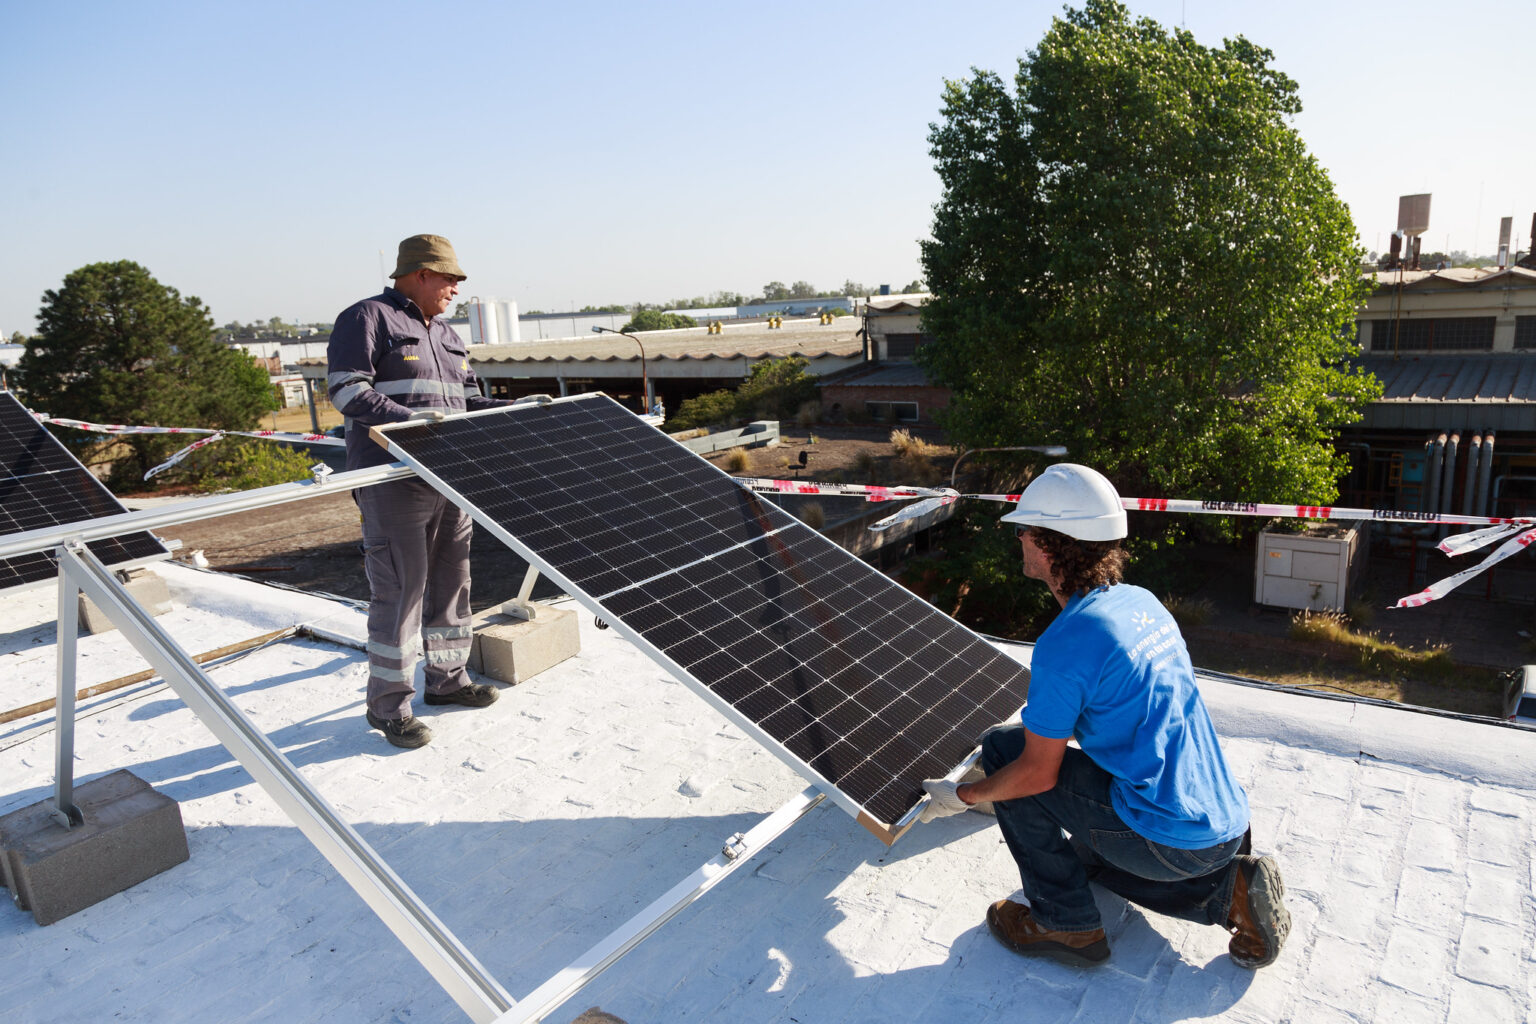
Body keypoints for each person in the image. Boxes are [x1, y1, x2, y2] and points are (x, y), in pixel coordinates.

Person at [921, 464, 1290, 968]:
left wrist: (964, 796)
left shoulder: (1067, 642)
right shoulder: (1141, 604)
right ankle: (1231, 890)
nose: (1020, 538)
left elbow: (1037, 773)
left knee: (1005, 751)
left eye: (1025, 530)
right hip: (1224, 823)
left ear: (1050, 544)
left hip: (1172, 840)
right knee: (1089, 862)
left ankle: (1066, 926)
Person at [327, 234, 509, 749]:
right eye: (450, 278)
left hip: (450, 480)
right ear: (422, 275)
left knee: (453, 582)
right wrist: (414, 426)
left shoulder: (448, 335)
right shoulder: (367, 318)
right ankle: (389, 707)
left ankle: (448, 683)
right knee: (400, 592)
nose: (456, 288)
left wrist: (526, 411)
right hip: (393, 481)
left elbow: (470, 403)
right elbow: (346, 390)